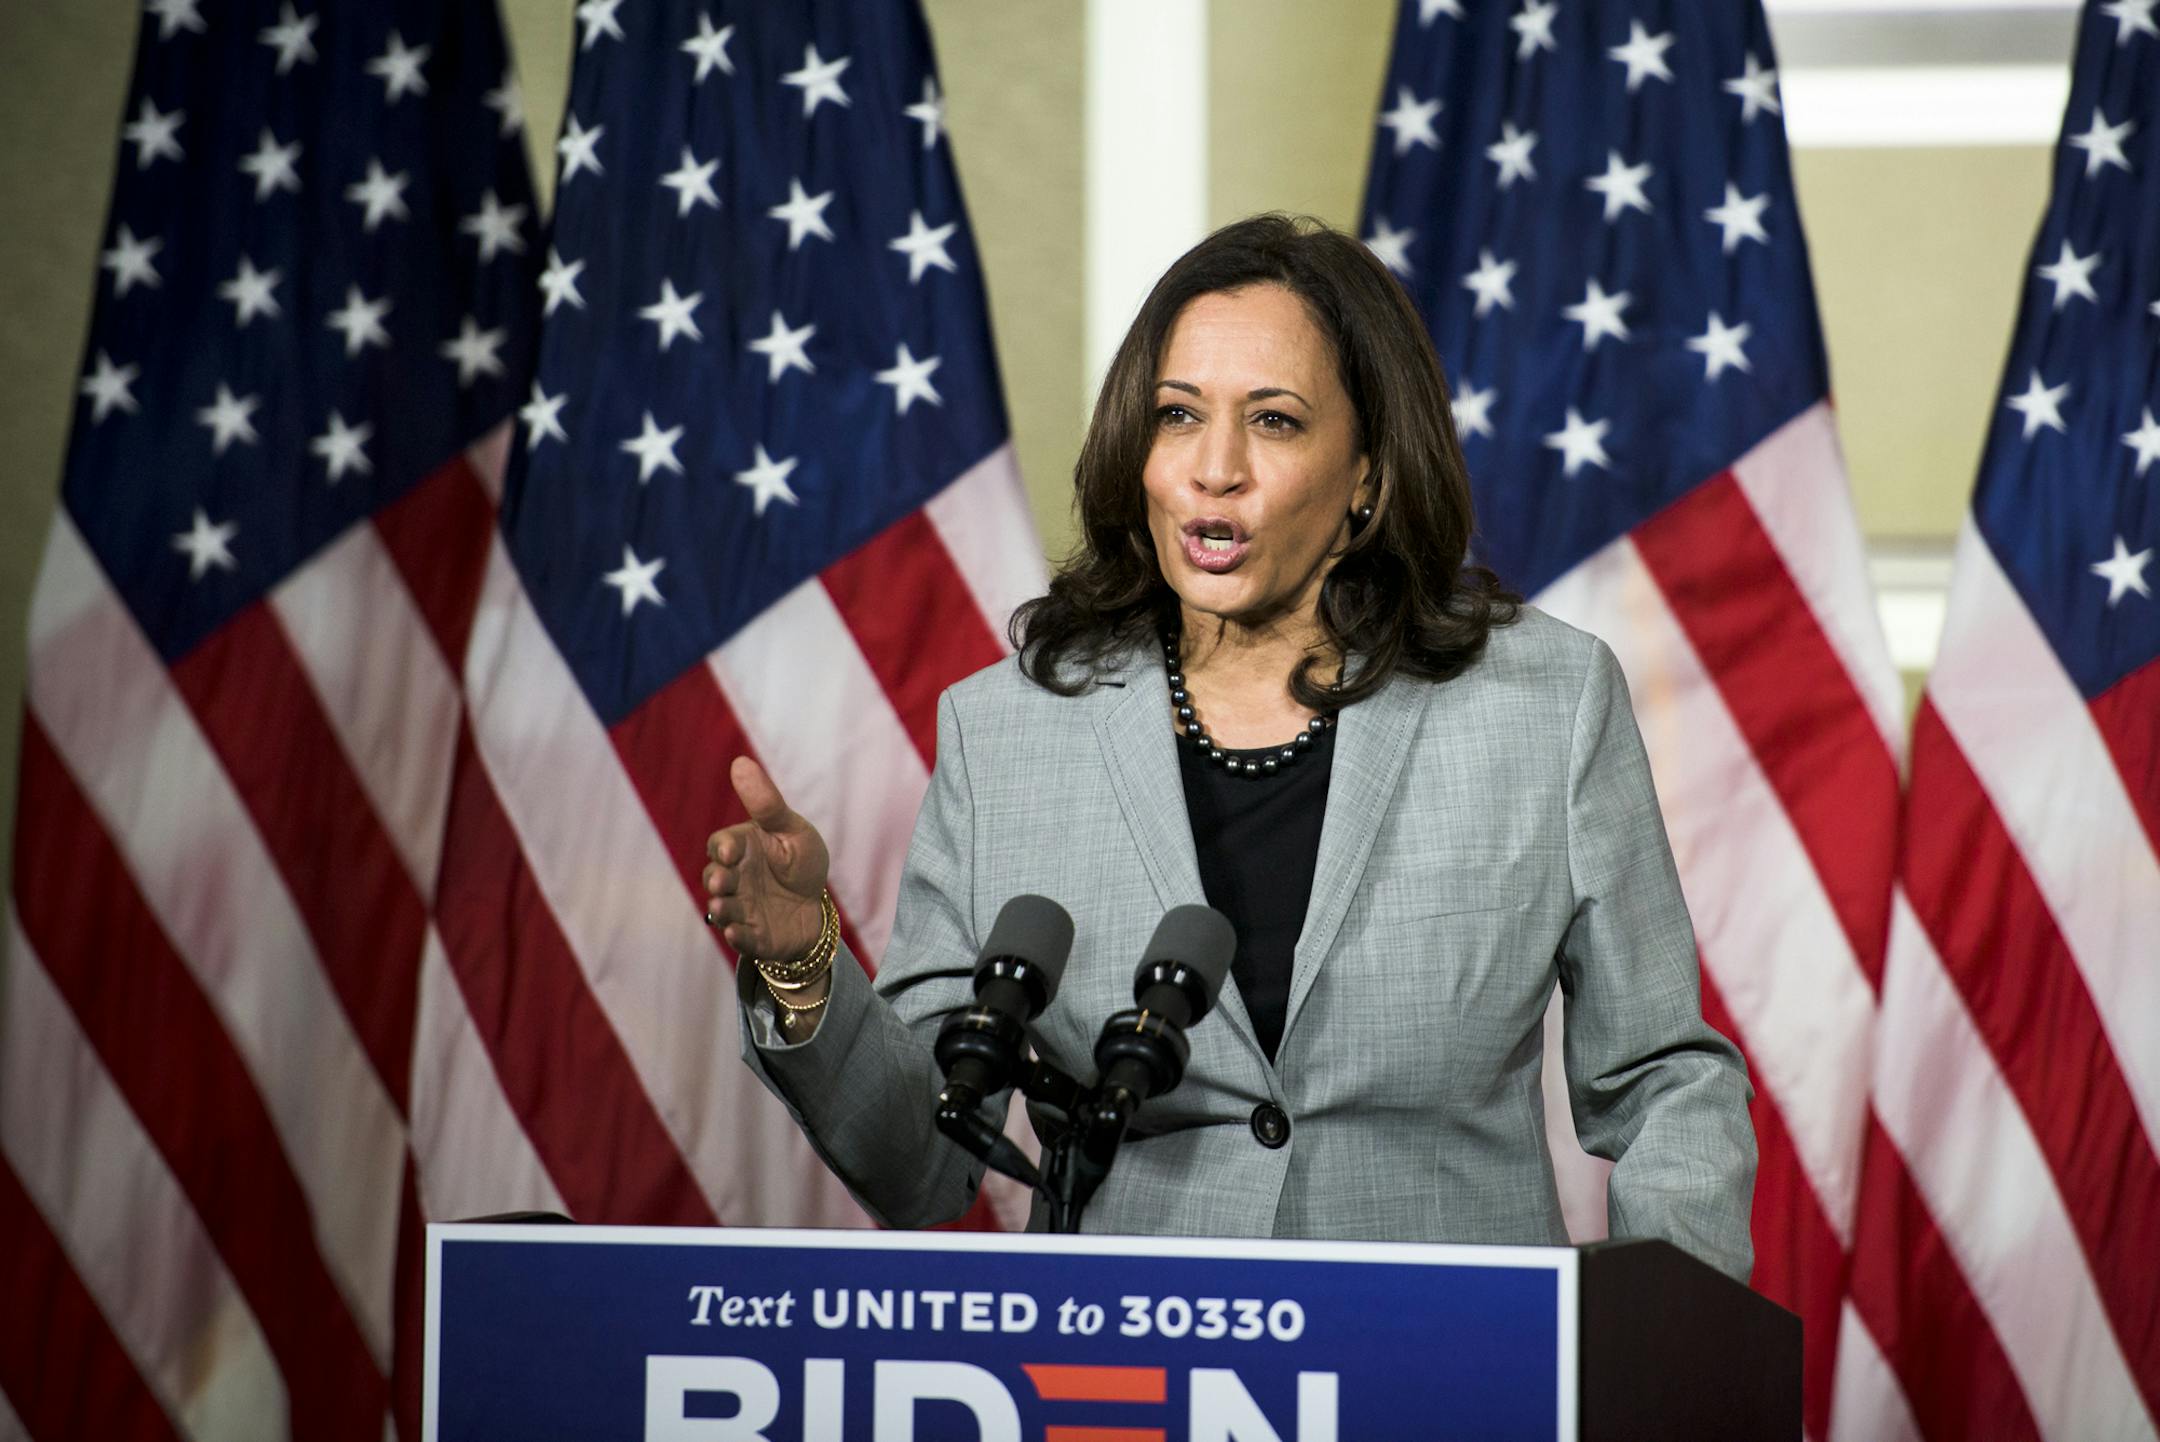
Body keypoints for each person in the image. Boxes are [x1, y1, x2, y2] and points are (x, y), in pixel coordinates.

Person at [704, 214, 1756, 1280]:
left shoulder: (1542, 703)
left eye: (1276, 421)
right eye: (1177, 416)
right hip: (1126, 1367)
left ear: (1369, 475)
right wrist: (802, 963)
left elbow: (1667, 1075)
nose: (1215, 469)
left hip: (1451, 1365)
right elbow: (920, 1166)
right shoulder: (1009, 731)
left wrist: (1667, 1355)